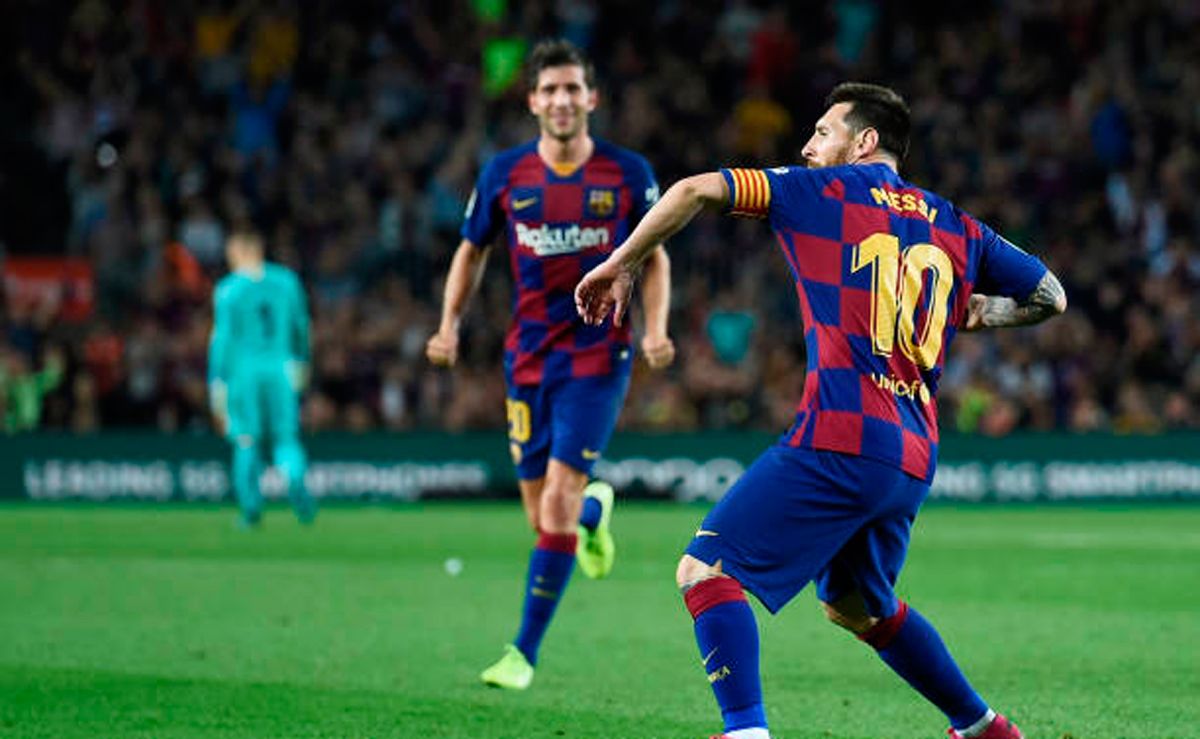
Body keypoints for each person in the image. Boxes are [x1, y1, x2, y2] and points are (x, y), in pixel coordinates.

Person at [576, 82, 1066, 739]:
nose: (807, 147)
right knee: (856, 603)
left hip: (843, 434)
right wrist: (976, 312)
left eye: (822, 132)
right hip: (913, 451)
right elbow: (1049, 295)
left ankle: (746, 731)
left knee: (705, 569)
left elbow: (692, 190)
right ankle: (985, 728)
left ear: (864, 142)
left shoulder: (820, 192)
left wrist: (620, 262)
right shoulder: (956, 223)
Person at [426, 39, 675, 690]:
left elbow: (654, 254)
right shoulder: (505, 173)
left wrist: (657, 328)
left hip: (598, 352)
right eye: (550, 90)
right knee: (544, 518)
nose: (562, 100)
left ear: (591, 98)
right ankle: (594, 513)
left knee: (556, 505)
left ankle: (523, 651)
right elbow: (470, 252)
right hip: (527, 357)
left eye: (573, 89)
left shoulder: (625, 173)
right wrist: (448, 324)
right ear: (533, 101)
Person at [208, 230, 315, 527]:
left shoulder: (229, 289)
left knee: (246, 438)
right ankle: (294, 479)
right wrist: (303, 364)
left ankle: (251, 509)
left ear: (240, 252)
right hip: (282, 370)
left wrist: (217, 382)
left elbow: (222, 340)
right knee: (286, 438)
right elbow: (302, 327)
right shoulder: (287, 282)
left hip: (244, 374)